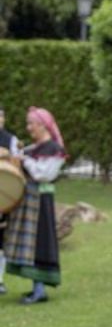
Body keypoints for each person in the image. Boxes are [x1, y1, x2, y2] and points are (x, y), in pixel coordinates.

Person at [4, 107, 66, 304]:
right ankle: (36, 288)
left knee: (39, 244)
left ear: (42, 125)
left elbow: (43, 175)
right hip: (28, 201)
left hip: (40, 202)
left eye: (31, 123)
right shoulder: (32, 148)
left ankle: (40, 291)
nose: (28, 127)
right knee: (29, 246)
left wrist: (26, 160)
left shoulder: (54, 149)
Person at [0, 106, 20, 296]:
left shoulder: (11, 140)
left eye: (2, 115)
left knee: (1, 240)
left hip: (4, 195)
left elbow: (16, 164)